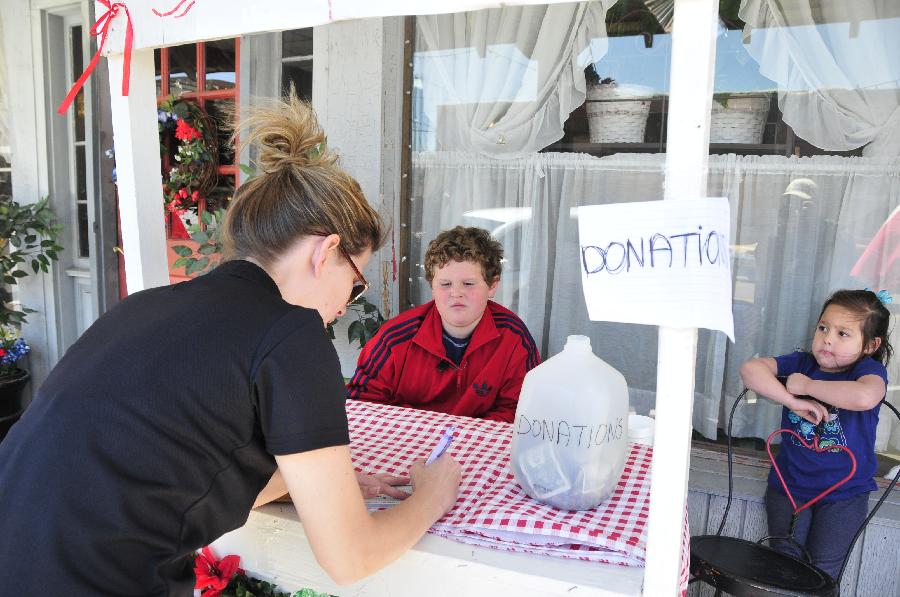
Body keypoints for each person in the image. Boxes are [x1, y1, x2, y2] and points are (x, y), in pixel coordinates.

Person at [0, 92, 460, 595]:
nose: (346, 306)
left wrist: (320, 488)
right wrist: (432, 496)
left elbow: (168, 478)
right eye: (355, 282)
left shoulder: (147, 307)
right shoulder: (291, 333)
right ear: (326, 252)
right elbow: (351, 557)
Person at [740, 289, 892, 579]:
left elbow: (864, 397)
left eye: (843, 333)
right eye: (823, 328)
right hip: (789, 486)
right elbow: (750, 370)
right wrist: (792, 401)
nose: (828, 338)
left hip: (844, 495)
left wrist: (807, 387)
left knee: (823, 572)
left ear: (871, 345)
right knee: (783, 566)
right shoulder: (801, 363)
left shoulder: (866, 371)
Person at [347, 226, 539, 423]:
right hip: (408, 442)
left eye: (469, 284)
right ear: (432, 287)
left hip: (477, 446)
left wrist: (463, 436)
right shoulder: (394, 338)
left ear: (492, 286)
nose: (456, 293)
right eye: (445, 284)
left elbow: (521, 409)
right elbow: (361, 404)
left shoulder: (514, 337)